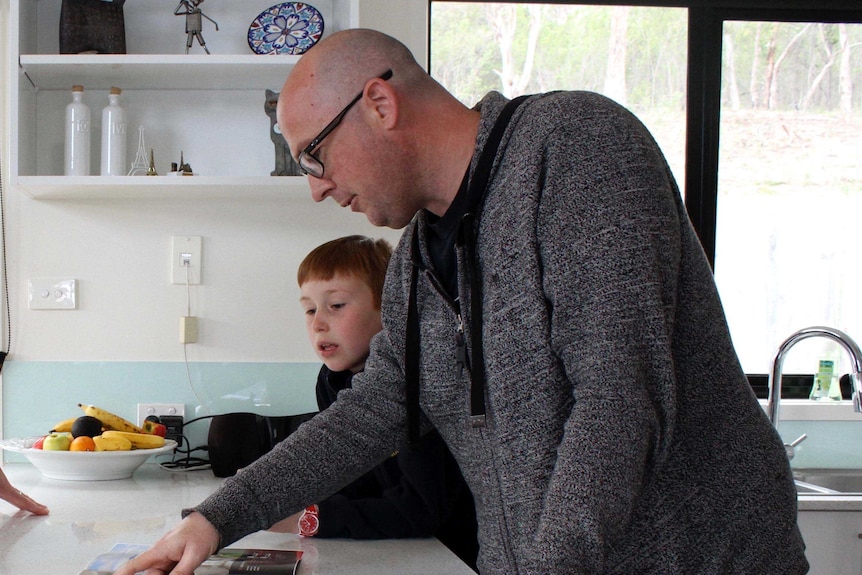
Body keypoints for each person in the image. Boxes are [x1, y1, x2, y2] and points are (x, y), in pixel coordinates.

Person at [117, 28, 808, 575]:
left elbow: (619, 400)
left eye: (313, 158)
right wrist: (214, 519)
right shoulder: (419, 257)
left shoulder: (575, 148)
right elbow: (370, 413)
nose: (317, 189)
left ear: (380, 105)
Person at [269, 235, 478, 570]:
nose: (318, 323)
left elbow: (420, 511)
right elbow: (353, 477)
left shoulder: (416, 384)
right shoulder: (332, 381)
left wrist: (311, 519)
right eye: (309, 309)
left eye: (336, 305)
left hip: (450, 557)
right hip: (393, 549)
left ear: (389, 308)